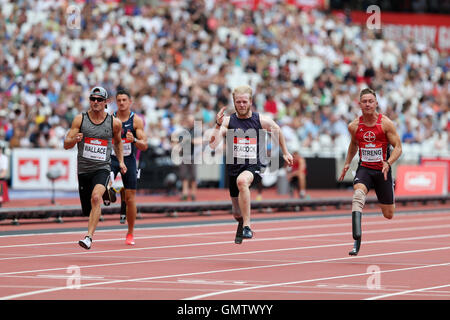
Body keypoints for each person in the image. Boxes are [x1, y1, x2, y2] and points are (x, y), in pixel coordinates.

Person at [209, 85, 293, 244]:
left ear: (250, 102)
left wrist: (286, 152)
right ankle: (241, 221)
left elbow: (277, 129)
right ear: (234, 102)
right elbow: (213, 145)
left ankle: (247, 225)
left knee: (242, 181)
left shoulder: (260, 120)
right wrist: (217, 125)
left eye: (244, 102)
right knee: (236, 213)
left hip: (256, 165)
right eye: (238, 102)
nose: (241, 105)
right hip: (233, 168)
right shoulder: (228, 121)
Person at [338, 88, 402, 256]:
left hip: (383, 171)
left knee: (389, 214)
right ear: (359, 104)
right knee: (358, 195)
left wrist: (388, 162)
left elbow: (398, 148)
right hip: (364, 168)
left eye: (370, 101)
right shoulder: (354, 126)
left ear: (376, 104)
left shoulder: (386, 123)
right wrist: (346, 163)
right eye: (364, 101)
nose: (367, 104)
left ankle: (390, 185)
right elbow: (353, 145)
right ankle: (356, 240)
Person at [64, 86, 126, 250]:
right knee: (88, 209)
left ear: (106, 102)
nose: (96, 102)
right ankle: (108, 191)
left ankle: (88, 237)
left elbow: (118, 142)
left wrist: (121, 161)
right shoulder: (80, 120)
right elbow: (66, 144)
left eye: (99, 99)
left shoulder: (114, 123)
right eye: (93, 99)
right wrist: (74, 140)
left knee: (95, 198)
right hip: (84, 170)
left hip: (102, 167)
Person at [110, 88, 147, 245]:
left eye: (124, 100)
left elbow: (144, 145)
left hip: (129, 159)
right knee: (101, 184)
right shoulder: (110, 119)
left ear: (130, 102)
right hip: (111, 158)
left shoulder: (136, 120)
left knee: (131, 198)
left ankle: (130, 233)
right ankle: (110, 190)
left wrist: (134, 141)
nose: (122, 103)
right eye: (119, 100)